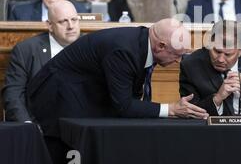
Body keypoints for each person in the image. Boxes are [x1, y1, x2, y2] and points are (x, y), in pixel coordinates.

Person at [27, 18, 208, 138]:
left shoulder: (143, 42)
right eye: (177, 55)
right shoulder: (124, 51)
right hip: (58, 101)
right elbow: (124, 105)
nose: (178, 61)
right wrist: (172, 109)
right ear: (161, 46)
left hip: (81, 97)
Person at [2, 0, 81, 122]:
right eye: (63, 21)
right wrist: (28, 128)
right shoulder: (26, 50)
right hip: (38, 127)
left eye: (74, 20)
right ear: (50, 25)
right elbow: (13, 94)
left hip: (82, 126)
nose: (70, 26)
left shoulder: (90, 46)